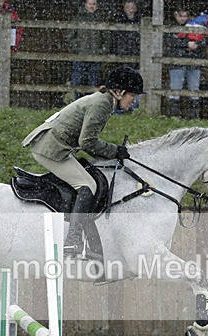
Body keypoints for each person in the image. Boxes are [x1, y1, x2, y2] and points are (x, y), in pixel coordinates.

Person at [22, 66, 143, 259]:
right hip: (50, 149)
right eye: (132, 96)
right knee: (87, 184)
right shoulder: (102, 104)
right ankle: (73, 239)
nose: (134, 101)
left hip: (57, 145)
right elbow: (87, 142)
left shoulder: (103, 101)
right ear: (119, 92)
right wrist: (114, 150)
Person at [165, 8, 208, 118]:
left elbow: (205, 39)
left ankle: (194, 117)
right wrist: (187, 44)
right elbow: (170, 41)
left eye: (185, 16)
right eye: (181, 16)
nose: (183, 18)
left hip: (193, 60)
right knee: (175, 88)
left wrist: (196, 45)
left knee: (194, 89)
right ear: (176, 15)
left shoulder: (196, 25)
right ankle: (173, 117)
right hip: (177, 61)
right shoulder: (170, 26)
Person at [67, 0, 109, 99]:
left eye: (94, 4)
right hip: (80, 56)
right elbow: (69, 37)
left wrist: (101, 51)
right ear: (85, 5)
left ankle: (91, 105)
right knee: (76, 83)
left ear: (97, 6)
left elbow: (107, 39)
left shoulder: (101, 20)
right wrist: (77, 48)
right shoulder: (78, 19)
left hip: (95, 57)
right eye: (90, 4)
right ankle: (75, 105)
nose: (91, 6)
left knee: (94, 84)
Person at [111, 0, 141, 113]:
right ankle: (120, 109)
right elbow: (115, 40)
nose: (129, 9)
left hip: (136, 57)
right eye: (127, 7)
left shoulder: (140, 21)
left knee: (135, 85)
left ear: (135, 8)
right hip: (122, 57)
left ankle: (134, 108)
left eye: (132, 7)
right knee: (121, 86)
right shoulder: (119, 21)